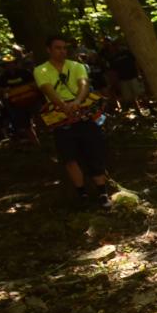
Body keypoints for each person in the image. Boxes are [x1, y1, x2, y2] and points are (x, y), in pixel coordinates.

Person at [34, 34, 112, 209]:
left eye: (64, 48)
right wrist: (63, 105)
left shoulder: (77, 66)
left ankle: (102, 193)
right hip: (60, 117)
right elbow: (47, 89)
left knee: (94, 151)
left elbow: (84, 84)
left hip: (82, 112)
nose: (62, 51)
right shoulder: (41, 70)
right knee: (69, 157)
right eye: (57, 48)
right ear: (49, 50)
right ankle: (82, 194)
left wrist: (76, 102)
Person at [0, 53, 41, 144]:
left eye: (11, 63)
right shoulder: (3, 78)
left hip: (31, 100)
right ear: (4, 66)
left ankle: (43, 136)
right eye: (7, 64)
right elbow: (2, 92)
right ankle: (35, 141)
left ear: (15, 63)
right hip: (16, 104)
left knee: (39, 117)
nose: (10, 65)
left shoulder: (25, 73)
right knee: (25, 124)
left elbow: (34, 84)